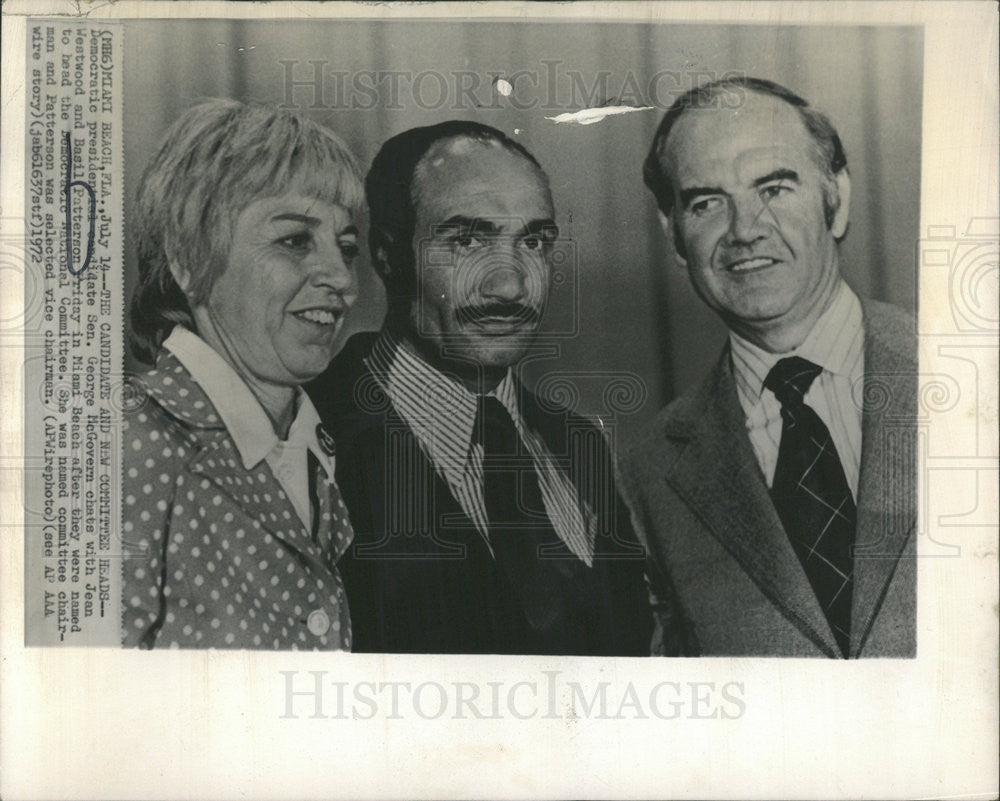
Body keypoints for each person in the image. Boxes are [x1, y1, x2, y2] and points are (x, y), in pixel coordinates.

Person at [307, 121, 652, 655]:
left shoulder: (580, 444)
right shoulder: (309, 432)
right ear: (387, 256)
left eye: (533, 241)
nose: (509, 285)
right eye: (467, 240)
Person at [620, 77, 917, 658]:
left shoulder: (973, 369)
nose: (744, 229)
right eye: (706, 202)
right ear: (674, 236)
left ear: (837, 200)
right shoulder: (649, 473)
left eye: (775, 188)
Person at [122, 99, 364, 650]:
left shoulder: (308, 452)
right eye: (295, 240)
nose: (342, 280)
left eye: (345, 247)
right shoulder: (127, 445)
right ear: (188, 259)